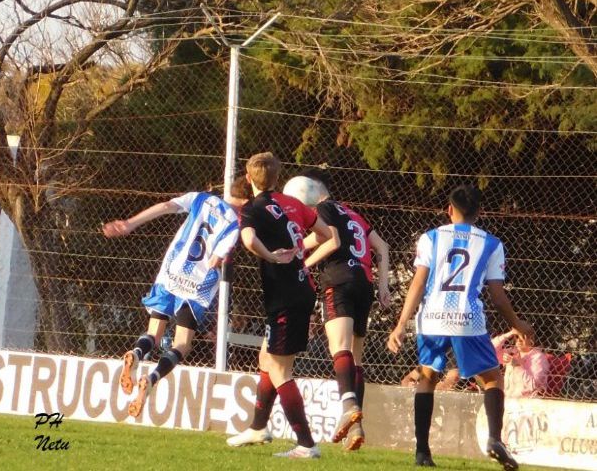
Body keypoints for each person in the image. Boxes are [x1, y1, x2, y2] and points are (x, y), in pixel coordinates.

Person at [387, 184, 534, 470]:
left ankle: (422, 452)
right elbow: (497, 294)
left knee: (427, 378)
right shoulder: (491, 244)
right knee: (492, 380)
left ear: (449, 209)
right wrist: (516, 323)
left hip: (431, 316)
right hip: (468, 318)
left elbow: (418, 282)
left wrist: (401, 324)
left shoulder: (430, 238)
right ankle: (494, 439)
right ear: (479, 213)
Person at [225, 153, 330, 459]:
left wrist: (271, 256)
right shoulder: (293, 203)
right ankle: (258, 427)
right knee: (266, 357)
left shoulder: (253, 209)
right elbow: (325, 234)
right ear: (277, 177)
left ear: (248, 177)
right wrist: (298, 249)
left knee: (280, 369)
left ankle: (307, 444)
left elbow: (247, 240)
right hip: (302, 288)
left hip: (284, 294)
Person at [103, 188, 240, 418]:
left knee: (154, 333)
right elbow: (216, 260)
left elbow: (167, 206)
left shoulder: (201, 198)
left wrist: (130, 223)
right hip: (195, 286)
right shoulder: (233, 224)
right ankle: (152, 378)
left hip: (171, 272)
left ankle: (137, 353)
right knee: (183, 344)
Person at [285, 168, 391, 451]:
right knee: (355, 359)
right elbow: (382, 246)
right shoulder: (352, 214)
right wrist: (383, 286)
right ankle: (356, 424)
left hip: (339, 280)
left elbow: (329, 239)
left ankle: (348, 407)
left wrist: (301, 263)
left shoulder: (323, 208)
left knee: (339, 348)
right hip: (364, 284)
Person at [492, 331, 550, 398]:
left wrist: (518, 366)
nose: (519, 340)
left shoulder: (538, 357)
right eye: (517, 336)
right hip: (508, 398)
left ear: (531, 340)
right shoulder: (513, 351)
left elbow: (534, 385)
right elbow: (488, 351)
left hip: (528, 400)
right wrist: (509, 334)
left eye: (523, 337)